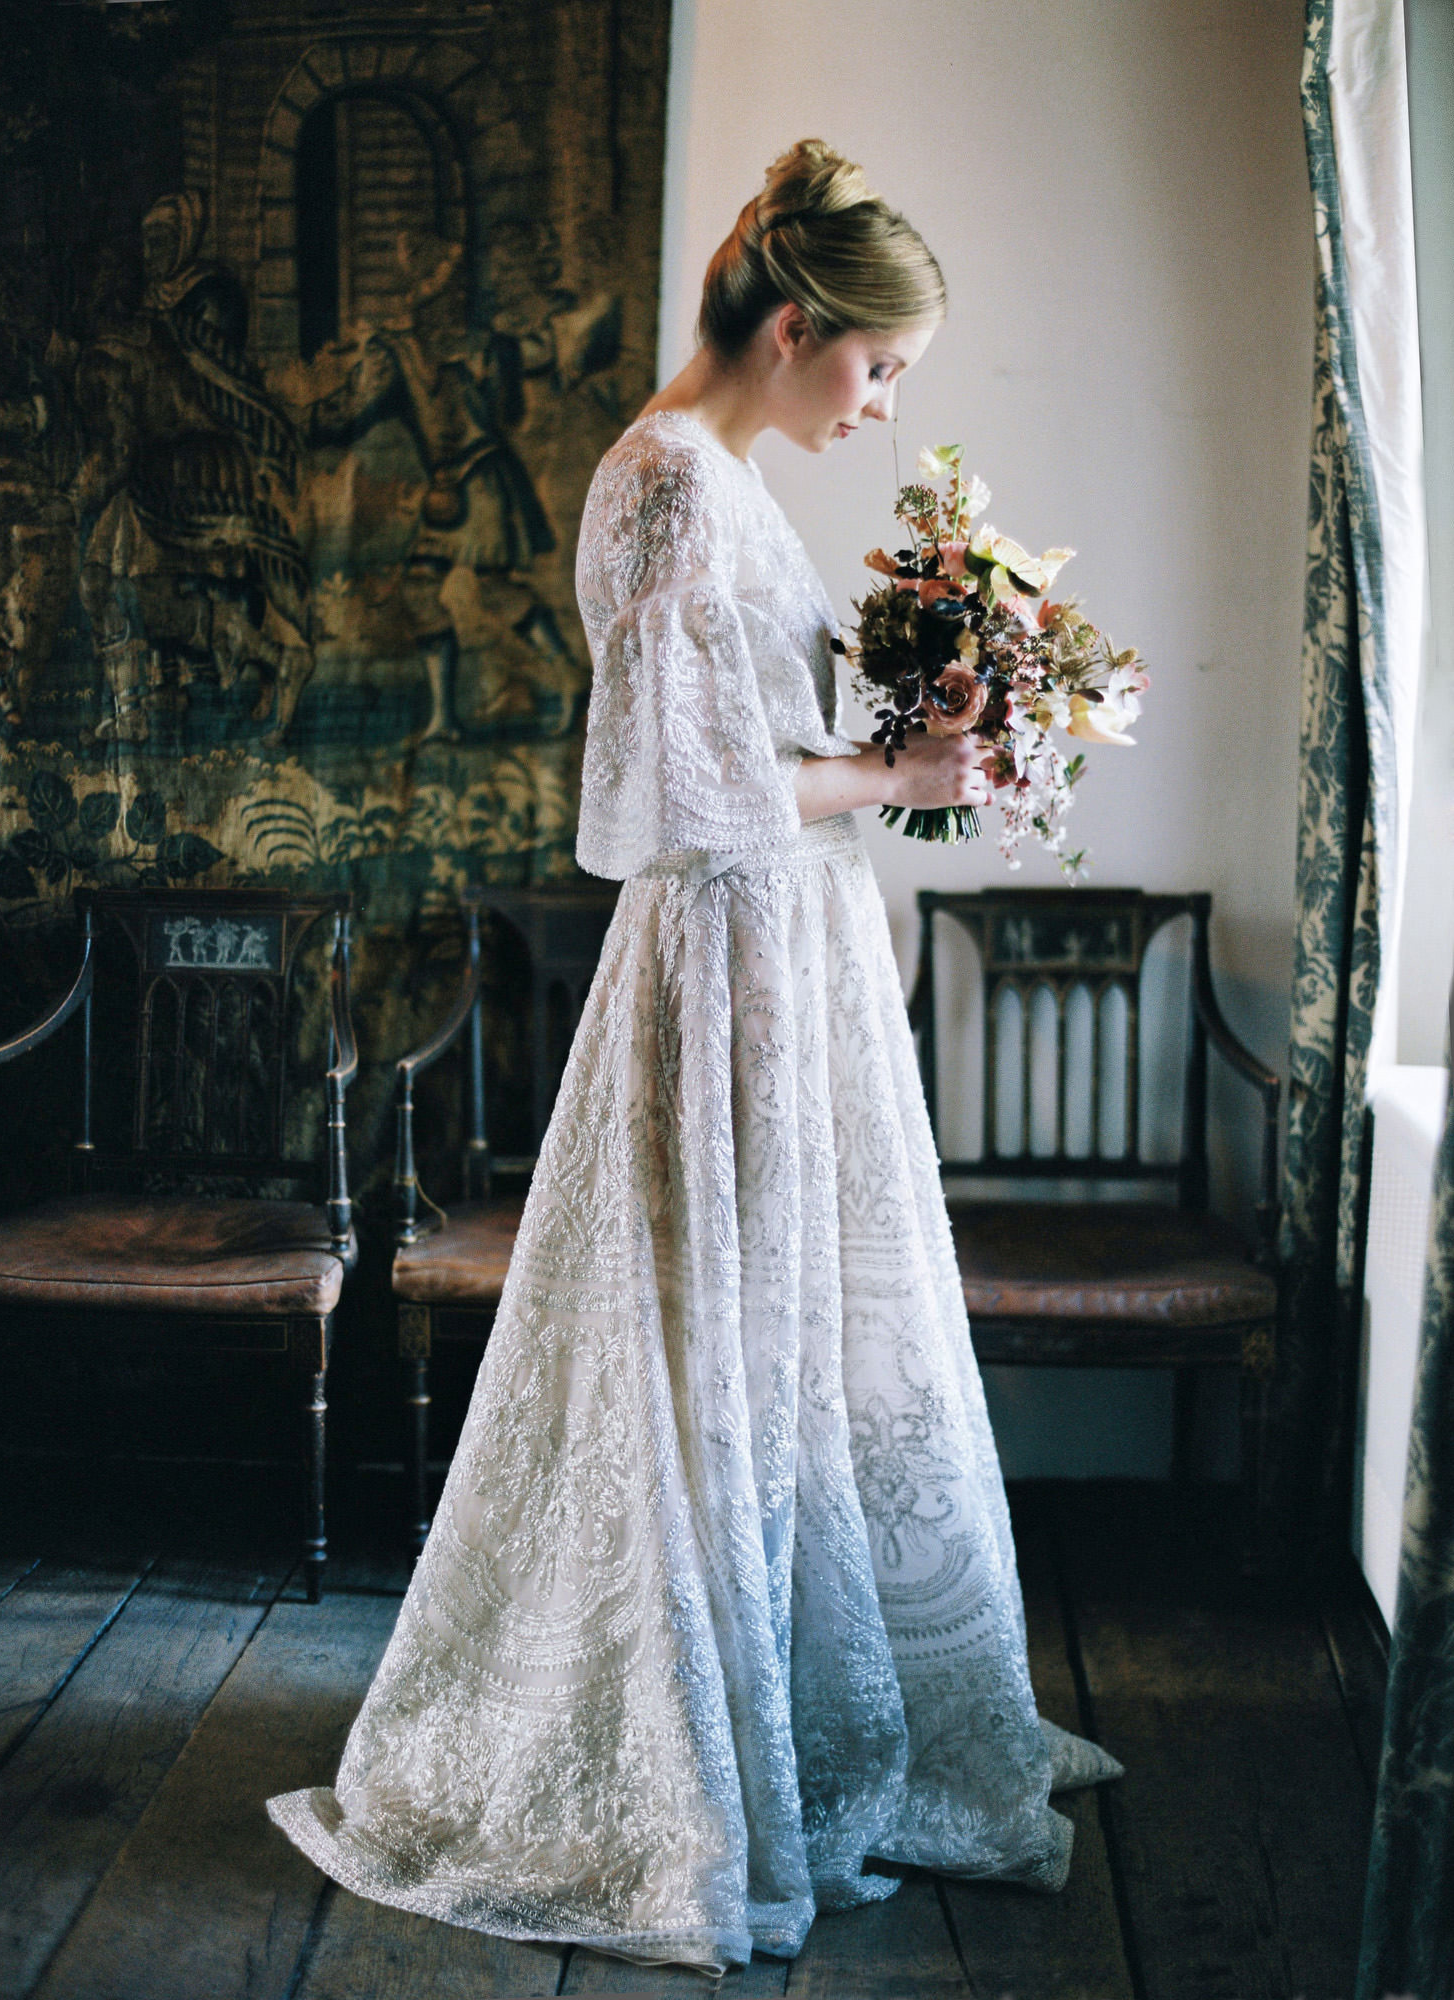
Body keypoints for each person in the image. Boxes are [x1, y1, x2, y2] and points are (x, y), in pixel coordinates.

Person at [268, 139, 1120, 1974]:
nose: (885, 404)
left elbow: (760, 729)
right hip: (722, 959)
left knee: (783, 1330)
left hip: (788, 958)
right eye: (879, 367)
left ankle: (803, 1715)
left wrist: (928, 713)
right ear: (799, 323)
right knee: (706, 1330)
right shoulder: (661, 478)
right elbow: (674, 796)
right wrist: (897, 780)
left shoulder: (727, 480)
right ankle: (677, 1755)